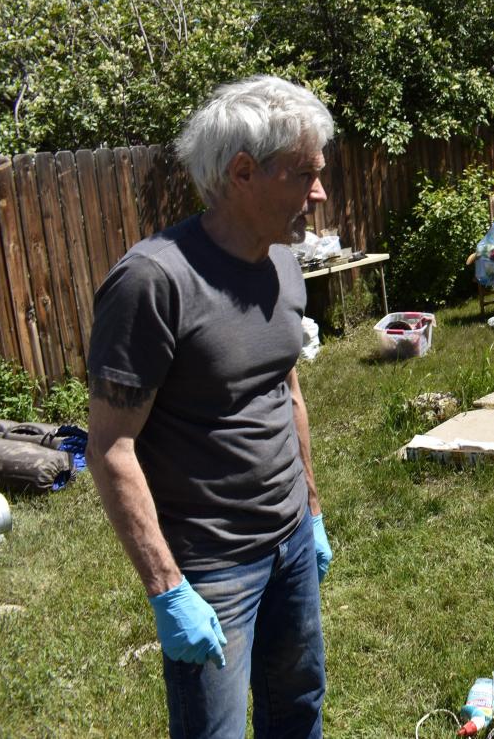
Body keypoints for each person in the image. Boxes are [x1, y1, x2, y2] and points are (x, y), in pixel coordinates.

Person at [86, 75, 335, 738]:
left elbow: (287, 387)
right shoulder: (153, 281)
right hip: (212, 568)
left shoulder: (282, 262)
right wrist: (169, 589)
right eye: (305, 175)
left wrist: (310, 511)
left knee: (298, 711)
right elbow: (109, 446)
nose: (321, 194)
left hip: (289, 547)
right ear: (244, 173)